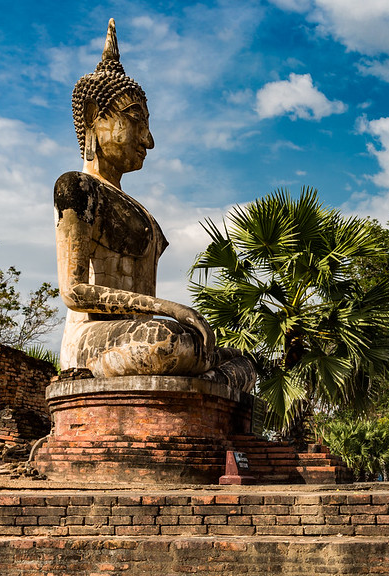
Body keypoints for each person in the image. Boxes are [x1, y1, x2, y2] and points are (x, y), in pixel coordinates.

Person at [54, 19, 254, 390]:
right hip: (92, 337)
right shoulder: (77, 188)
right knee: (168, 340)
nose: (149, 140)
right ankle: (203, 378)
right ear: (94, 116)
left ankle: (204, 388)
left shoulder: (138, 208)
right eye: (136, 120)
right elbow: (75, 292)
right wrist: (168, 308)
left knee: (243, 364)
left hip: (136, 330)